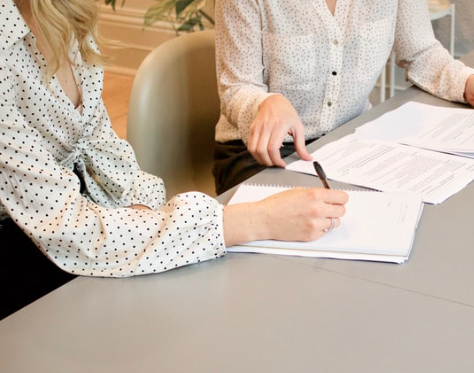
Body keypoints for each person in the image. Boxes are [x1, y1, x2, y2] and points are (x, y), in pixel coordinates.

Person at [0, 0, 348, 320]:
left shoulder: (64, 14)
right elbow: (70, 228)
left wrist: (144, 210)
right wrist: (257, 221)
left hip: (77, 223)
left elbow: (103, 150)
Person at [213, 0, 474, 195]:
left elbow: (420, 52)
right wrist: (265, 104)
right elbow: (237, 86)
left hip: (348, 145)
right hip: (259, 154)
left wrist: (467, 81)